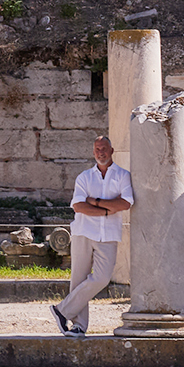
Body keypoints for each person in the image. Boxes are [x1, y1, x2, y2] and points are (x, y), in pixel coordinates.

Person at [51, 136, 134, 338]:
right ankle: (78, 326)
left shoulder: (123, 175)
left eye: (104, 148)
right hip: (83, 232)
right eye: (97, 149)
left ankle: (62, 310)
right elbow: (79, 206)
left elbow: (125, 203)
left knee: (103, 278)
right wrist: (107, 208)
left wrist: (95, 202)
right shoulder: (84, 177)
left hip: (108, 235)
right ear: (93, 152)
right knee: (78, 279)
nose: (100, 152)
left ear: (111, 150)